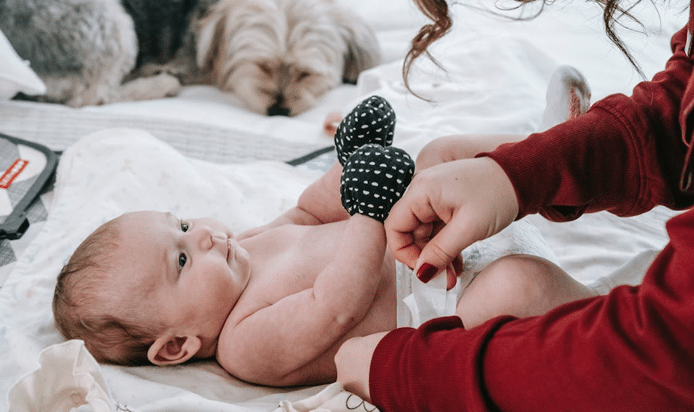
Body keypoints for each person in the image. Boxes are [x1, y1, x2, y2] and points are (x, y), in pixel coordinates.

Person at [334, 0, 694, 410]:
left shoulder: (248, 334)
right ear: (204, 342)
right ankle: (538, 138)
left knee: (513, 287)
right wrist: (517, 173)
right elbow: (680, 113)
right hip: (446, 267)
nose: (210, 236)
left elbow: (665, 352)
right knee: (445, 162)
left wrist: (408, 373)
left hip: (450, 297)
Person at [52, 95, 592, 388]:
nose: (207, 235)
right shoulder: (245, 346)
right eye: (183, 258)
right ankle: (619, 321)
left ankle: (559, 153)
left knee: (438, 155)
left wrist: (352, 161)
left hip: (432, 231)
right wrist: (369, 209)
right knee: (516, 285)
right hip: (446, 296)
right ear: (176, 346)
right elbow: (334, 305)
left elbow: (310, 211)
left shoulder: (246, 246)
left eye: (183, 223)